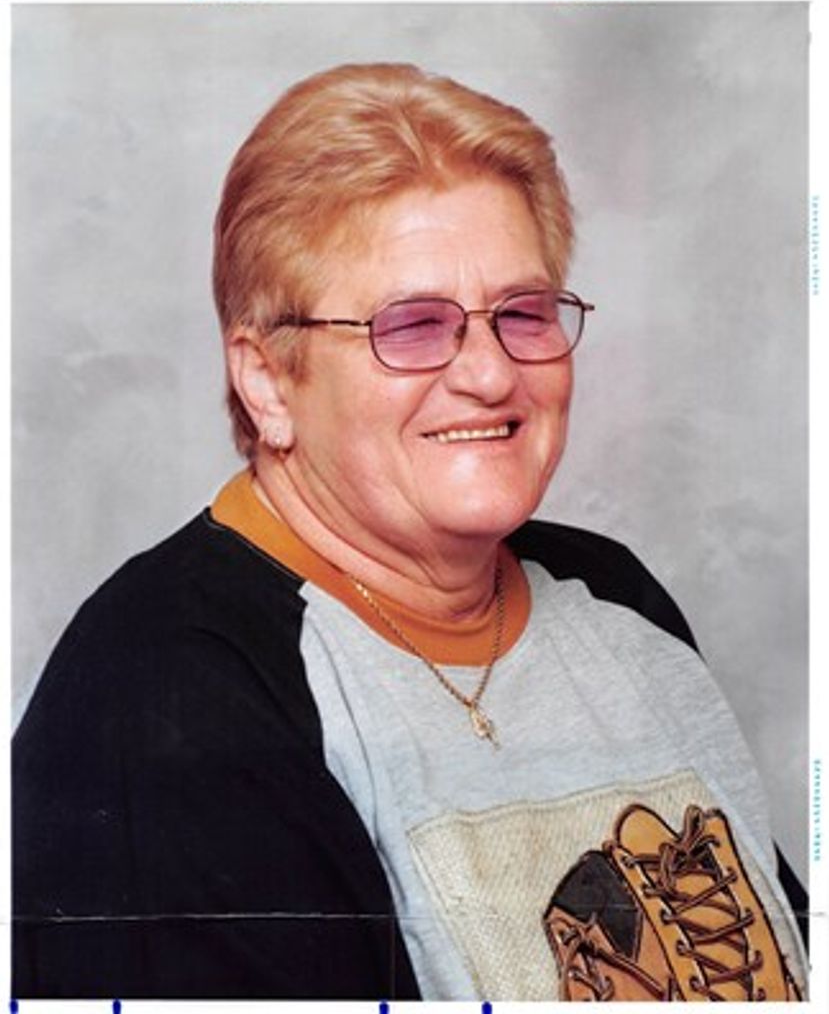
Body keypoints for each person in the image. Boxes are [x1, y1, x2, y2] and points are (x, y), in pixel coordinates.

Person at [13, 63, 807, 1001]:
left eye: (521, 313)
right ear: (268, 380)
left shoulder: (612, 598)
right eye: (413, 326)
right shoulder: (163, 699)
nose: (490, 375)